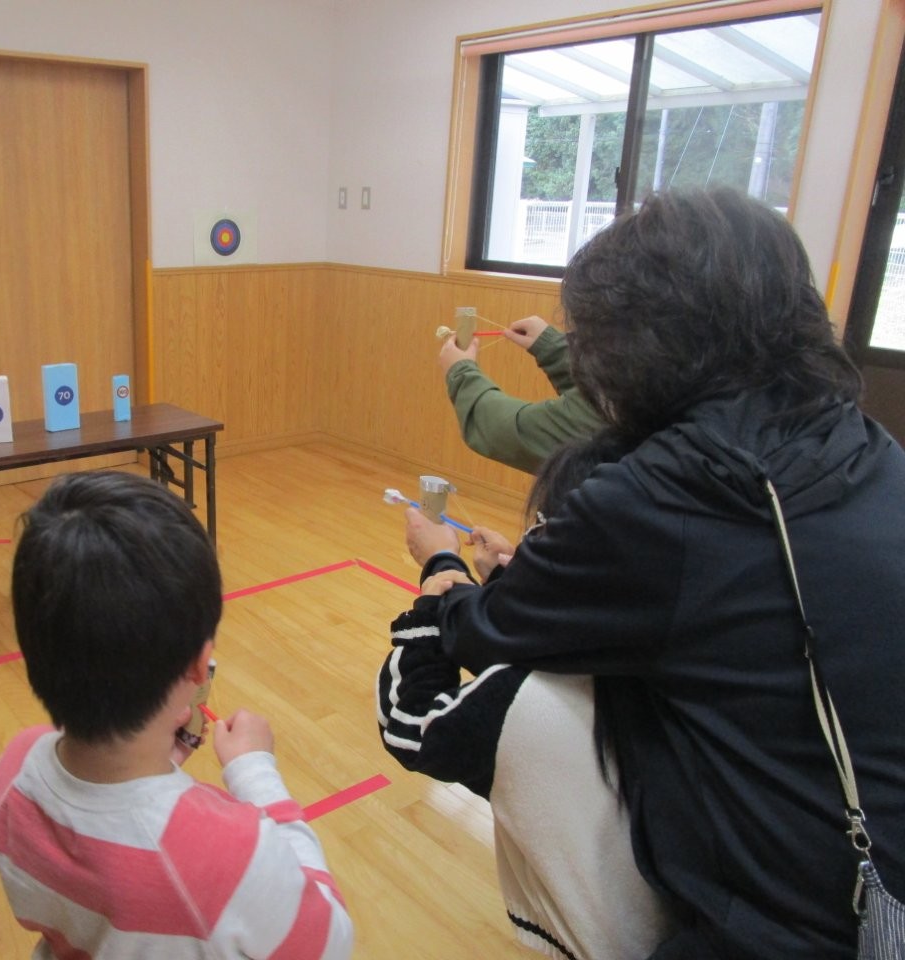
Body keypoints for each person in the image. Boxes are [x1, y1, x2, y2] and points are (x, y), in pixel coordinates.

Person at [403, 188, 905, 959]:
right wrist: (549, 570)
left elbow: (485, 630)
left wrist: (444, 568)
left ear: (635, 350)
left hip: (784, 926)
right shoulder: (864, 442)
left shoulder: (659, 497)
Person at [0, 470, 353, 959]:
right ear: (199, 665)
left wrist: (161, 767)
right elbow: (331, 942)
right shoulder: (226, 855)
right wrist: (256, 773)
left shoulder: (10, 770)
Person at [379, 431, 674, 960]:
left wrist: (435, 587)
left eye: (542, 531)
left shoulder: (526, 705)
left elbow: (409, 724)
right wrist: (507, 576)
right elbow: (548, 635)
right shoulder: (676, 646)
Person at [438, 313, 603, 474]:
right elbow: (596, 389)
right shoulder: (613, 386)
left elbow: (506, 432)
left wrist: (460, 372)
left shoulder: (609, 410)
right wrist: (550, 345)